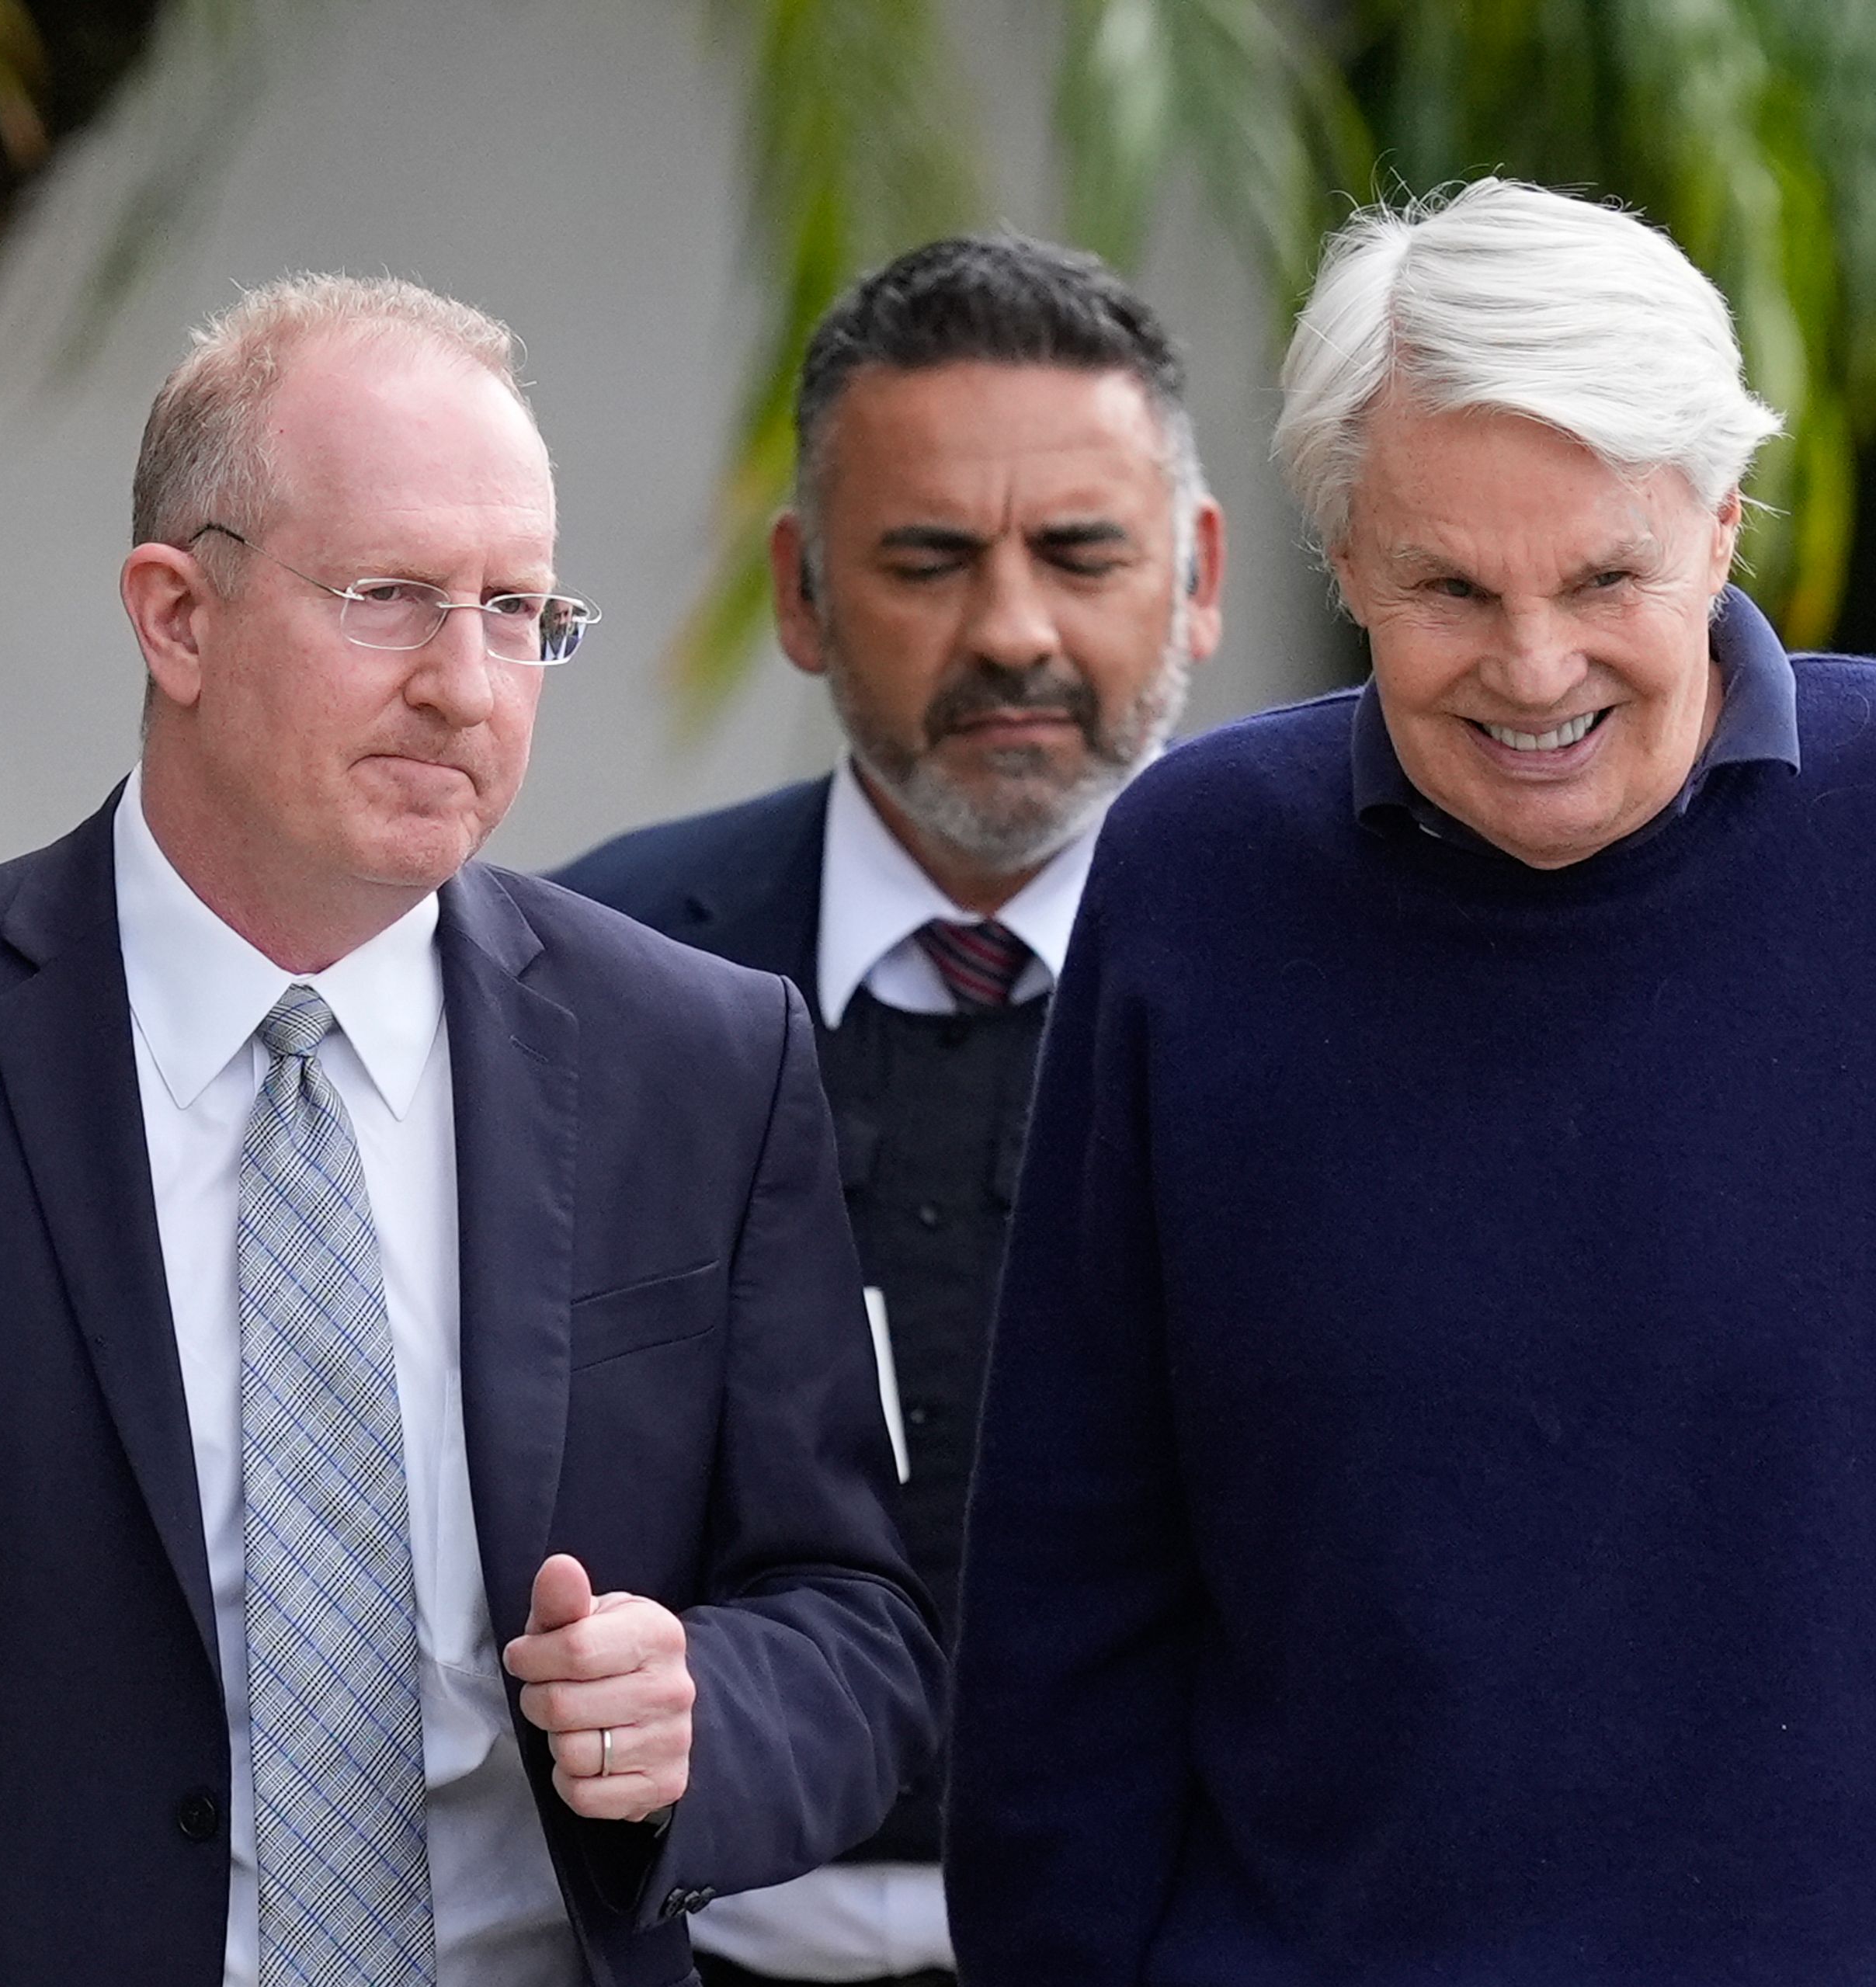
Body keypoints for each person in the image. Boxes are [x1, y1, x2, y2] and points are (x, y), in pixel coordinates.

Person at [945, 179, 1876, 1986]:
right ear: (1345, 559)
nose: (1534, 668)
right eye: (1450, 585)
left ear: (1722, 530)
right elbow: (1075, 1557)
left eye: (1605, 576)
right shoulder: (1197, 881)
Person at [0, 276, 939, 1987]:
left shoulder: (703, 1057)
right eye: (389, 599)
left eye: (520, 610)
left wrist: (699, 1714)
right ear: (177, 614)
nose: (469, 681)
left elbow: (858, 1627)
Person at [556, 234, 1223, 1987]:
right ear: (800, 591)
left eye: (1082, 553)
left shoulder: (1350, 984)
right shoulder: (590, 975)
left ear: (1201, 574)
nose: (1014, 629)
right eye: (930, 557)